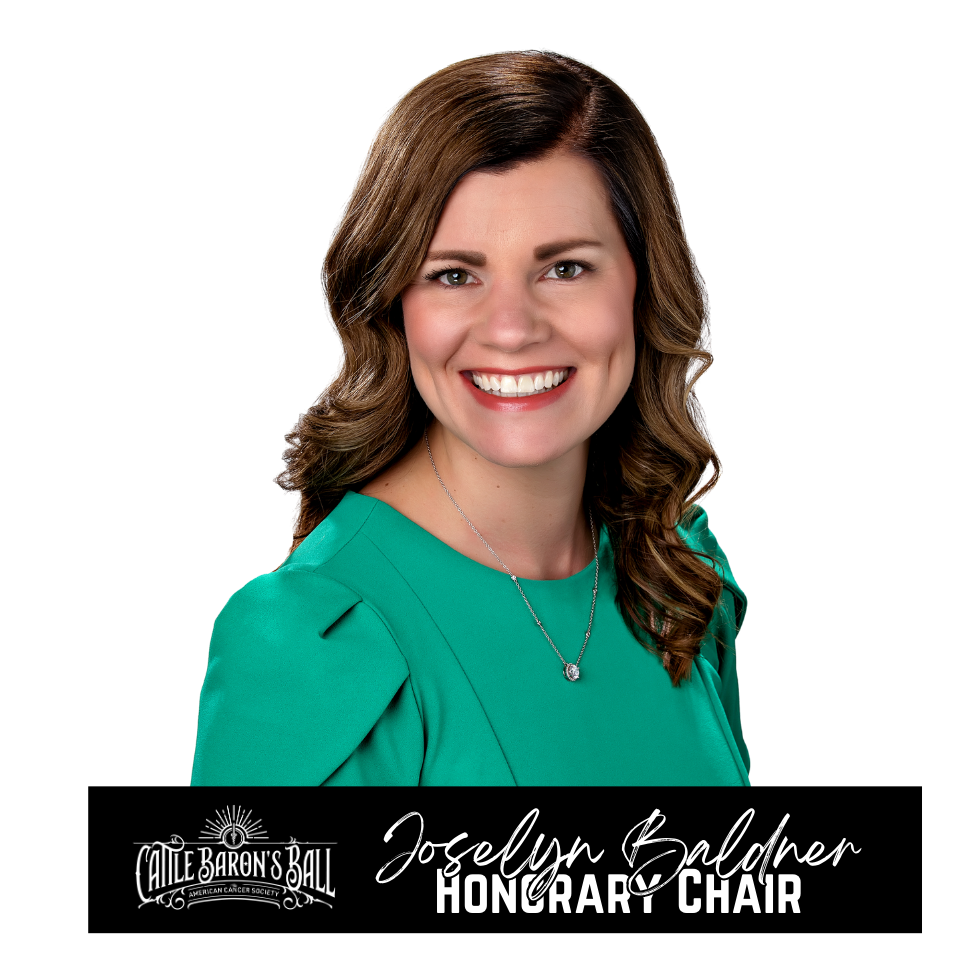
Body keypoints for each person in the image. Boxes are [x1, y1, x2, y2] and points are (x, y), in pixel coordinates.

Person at [190, 48, 752, 786]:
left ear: (642, 288)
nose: (512, 329)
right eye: (454, 275)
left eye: (565, 268)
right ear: (393, 305)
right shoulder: (307, 644)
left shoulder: (679, 575)